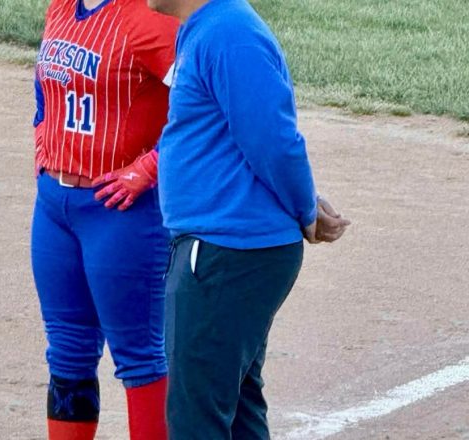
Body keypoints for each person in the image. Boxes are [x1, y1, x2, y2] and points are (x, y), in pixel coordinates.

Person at [145, 0, 351, 438]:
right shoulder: (209, 28)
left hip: (225, 253)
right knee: (237, 409)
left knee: (196, 417)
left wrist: (305, 209)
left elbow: (274, 141)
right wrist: (305, 203)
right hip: (226, 248)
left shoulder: (229, 34)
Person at [31, 0, 179, 438]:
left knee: (140, 357)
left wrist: (149, 167)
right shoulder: (62, 6)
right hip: (55, 210)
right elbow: (44, 90)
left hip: (122, 215)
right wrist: (42, 143)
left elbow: (204, 102)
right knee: (67, 350)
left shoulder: (149, 17)